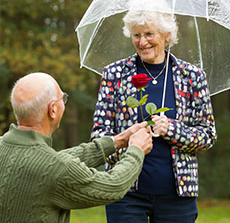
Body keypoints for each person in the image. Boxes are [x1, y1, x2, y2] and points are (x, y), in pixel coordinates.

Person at [90, 0, 217, 223]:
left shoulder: (192, 77)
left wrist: (172, 130)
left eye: (149, 34)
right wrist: (128, 139)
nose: (142, 42)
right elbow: (99, 135)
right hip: (125, 192)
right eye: (136, 35)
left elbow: (207, 135)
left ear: (166, 35)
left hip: (178, 195)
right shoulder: (114, 75)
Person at [0, 72, 153, 223]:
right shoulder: (54, 168)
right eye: (62, 99)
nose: (64, 103)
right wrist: (136, 150)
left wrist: (117, 141)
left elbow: (52, 162)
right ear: (52, 110)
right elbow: (113, 185)